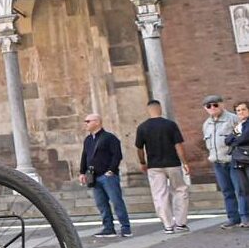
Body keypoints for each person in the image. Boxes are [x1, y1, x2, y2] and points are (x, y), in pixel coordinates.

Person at [135, 99, 190, 233]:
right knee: (180, 190)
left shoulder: (142, 127)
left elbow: (139, 148)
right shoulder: (170, 125)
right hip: (173, 163)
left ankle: (167, 225)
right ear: (160, 109)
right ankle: (181, 223)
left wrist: (143, 162)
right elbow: (178, 145)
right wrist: (185, 162)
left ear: (148, 110)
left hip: (154, 165)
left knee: (159, 194)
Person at [80, 113, 131, 239]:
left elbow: (117, 155)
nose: (86, 124)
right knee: (101, 204)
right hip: (94, 176)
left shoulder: (109, 138)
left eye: (88, 121)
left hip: (107, 175)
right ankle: (108, 227)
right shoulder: (87, 140)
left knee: (116, 201)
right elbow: (84, 156)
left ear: (97, 122)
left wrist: (111, 170)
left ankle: (125, 227)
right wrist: (82, 172)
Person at [202, 95, 241, 230]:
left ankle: (245, 216)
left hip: (234, 161)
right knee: (226, 191)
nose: (212, 108)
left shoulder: (233, 119)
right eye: (208, 106)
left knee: (241, 190)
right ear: (205, 109)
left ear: (222, 104)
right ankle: (233, 218)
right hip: (217, 163)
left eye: (215, 105)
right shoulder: (206, 124)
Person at [227, 102, 249, 230]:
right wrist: (236, 138)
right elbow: (227, 140)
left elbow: (244, 138)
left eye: (243, 109)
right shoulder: (238, 126)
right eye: (238, 110)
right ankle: (245, 218)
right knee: (243, 190)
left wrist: (236, 139)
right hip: (240, 160)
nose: (240, 112)